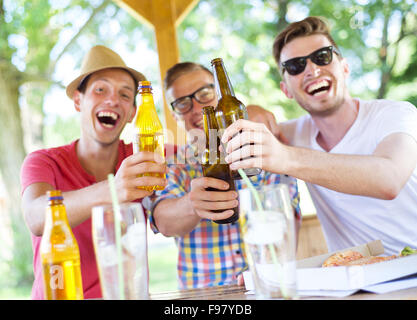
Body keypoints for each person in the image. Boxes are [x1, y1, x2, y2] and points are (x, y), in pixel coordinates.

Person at [221, 16, 417, 256]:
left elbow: (389, 178)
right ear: (286, 90)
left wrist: (286, 157)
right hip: (354, 280)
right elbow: (250, 127)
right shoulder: (292, 134)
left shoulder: (395, 114)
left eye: (322, 56)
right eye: (295, 66)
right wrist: (252, 111)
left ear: (345, 67)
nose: (312, 70)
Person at [20, 45, 167, 299]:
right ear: (79, 100)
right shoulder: (44, 161)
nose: (112, 100)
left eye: (124, 94)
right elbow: (36, 217)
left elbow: (193, 152)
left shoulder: (142, 155)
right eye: (100, 90)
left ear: (133, 112)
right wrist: (114, 190)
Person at [144, 62, 301, 289]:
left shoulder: (263, 148)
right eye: (182, 103)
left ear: (220, 94)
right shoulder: (174, 164)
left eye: (204, 94)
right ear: (174, 114)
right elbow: (163, 221)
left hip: (268, 284)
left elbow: (288, 218)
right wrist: (192, 204)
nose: (196, 108)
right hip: (204, 296)